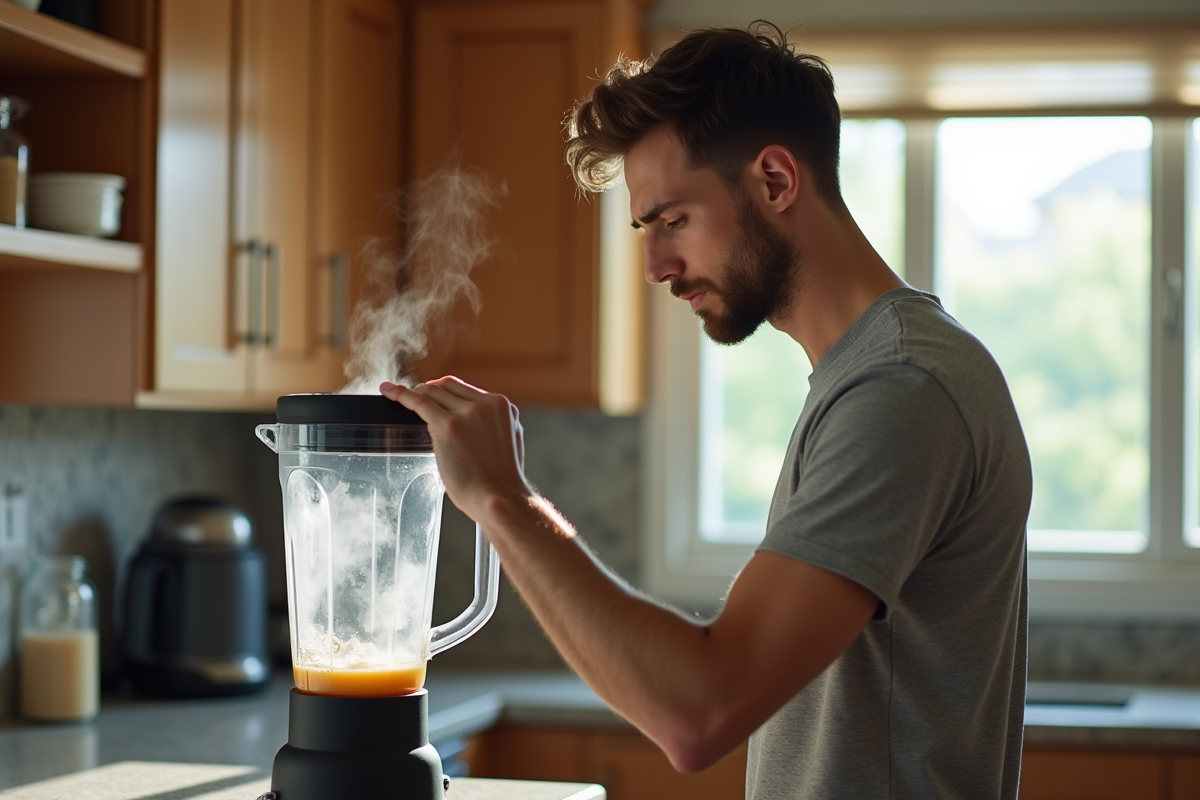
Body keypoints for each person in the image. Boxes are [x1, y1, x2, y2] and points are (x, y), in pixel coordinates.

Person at [382, 21, 1032, 800]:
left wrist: (502, 499)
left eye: (673, 220)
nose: (655, 267)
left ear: (775, 181)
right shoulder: (865, 376)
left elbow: (699, 709)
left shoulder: (901, 390)